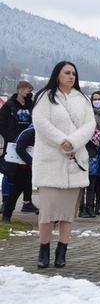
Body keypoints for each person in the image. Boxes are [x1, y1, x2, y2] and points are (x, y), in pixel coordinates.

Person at [31, 61, 96, 268]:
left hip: (74, 162)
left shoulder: (82, 99)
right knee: (48, 212)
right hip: (51, 162)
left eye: (74, 74)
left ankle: (62, 251)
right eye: (67, 73)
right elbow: (41, 123)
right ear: (57, 74)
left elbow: (90, 125)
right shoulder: (45, 97)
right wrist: (62, 141)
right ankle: (44, 250)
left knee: (68, 213)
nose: (71, 76)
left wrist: (74, 142)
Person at [0, 80, 38, 214]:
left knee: (27, 172)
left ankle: (27, 202)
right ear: (21, 91)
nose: (30, 94)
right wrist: (12, 139)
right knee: (9, 172)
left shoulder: (32, 106)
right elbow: (2, 125)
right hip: (12, 143)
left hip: (29, 143)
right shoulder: (8, 106)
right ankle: (6, 201)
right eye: (28, 91)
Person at [0, 124, 34, 223]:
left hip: (29, 166)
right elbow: (19, 148)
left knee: (28, 187)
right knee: (16, 191)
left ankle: (29, 205)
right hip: (20, 167)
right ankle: (6, 215)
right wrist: (31, 162)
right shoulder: (29, 132)